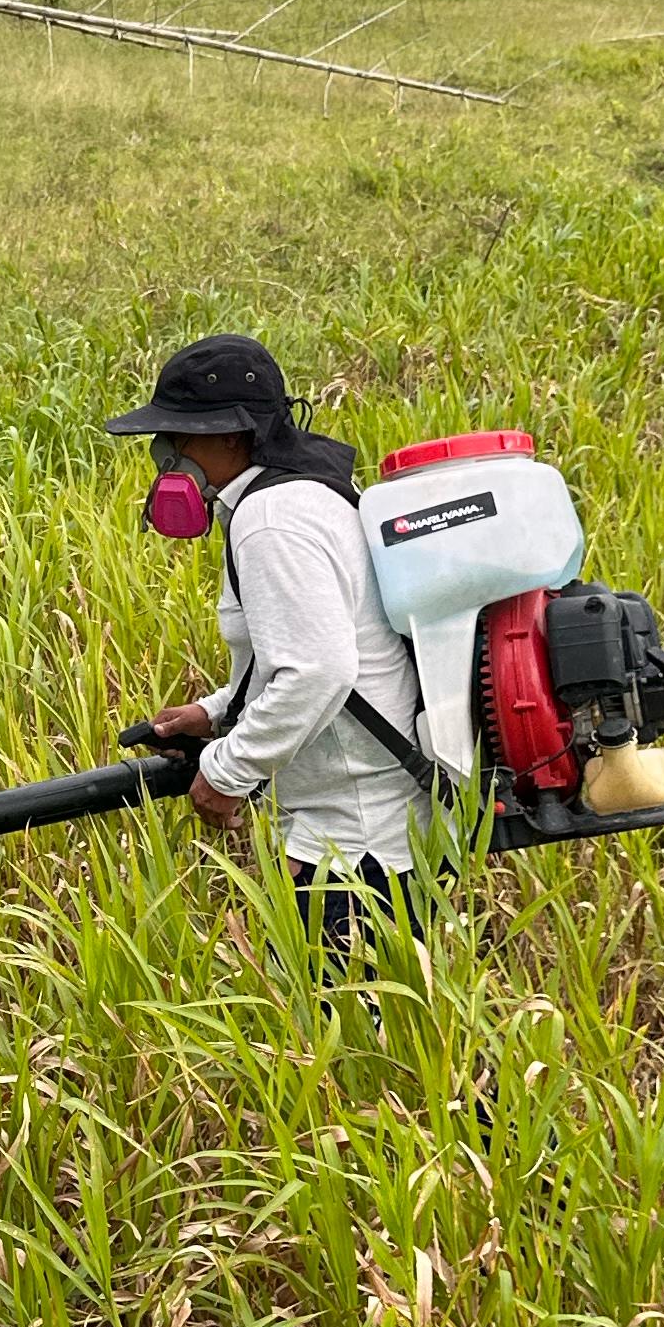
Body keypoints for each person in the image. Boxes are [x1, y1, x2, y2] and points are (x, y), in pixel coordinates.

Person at [104, 331, 429, 963]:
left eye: (178, 435)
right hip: (375, 825)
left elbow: (318, 671)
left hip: (353, 844)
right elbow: (304, 651)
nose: (164, 453)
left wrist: (227, 773)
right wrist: (216, 712)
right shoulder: (298, 493)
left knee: (335, 1019)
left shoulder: (271, 520)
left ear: (233, 436)